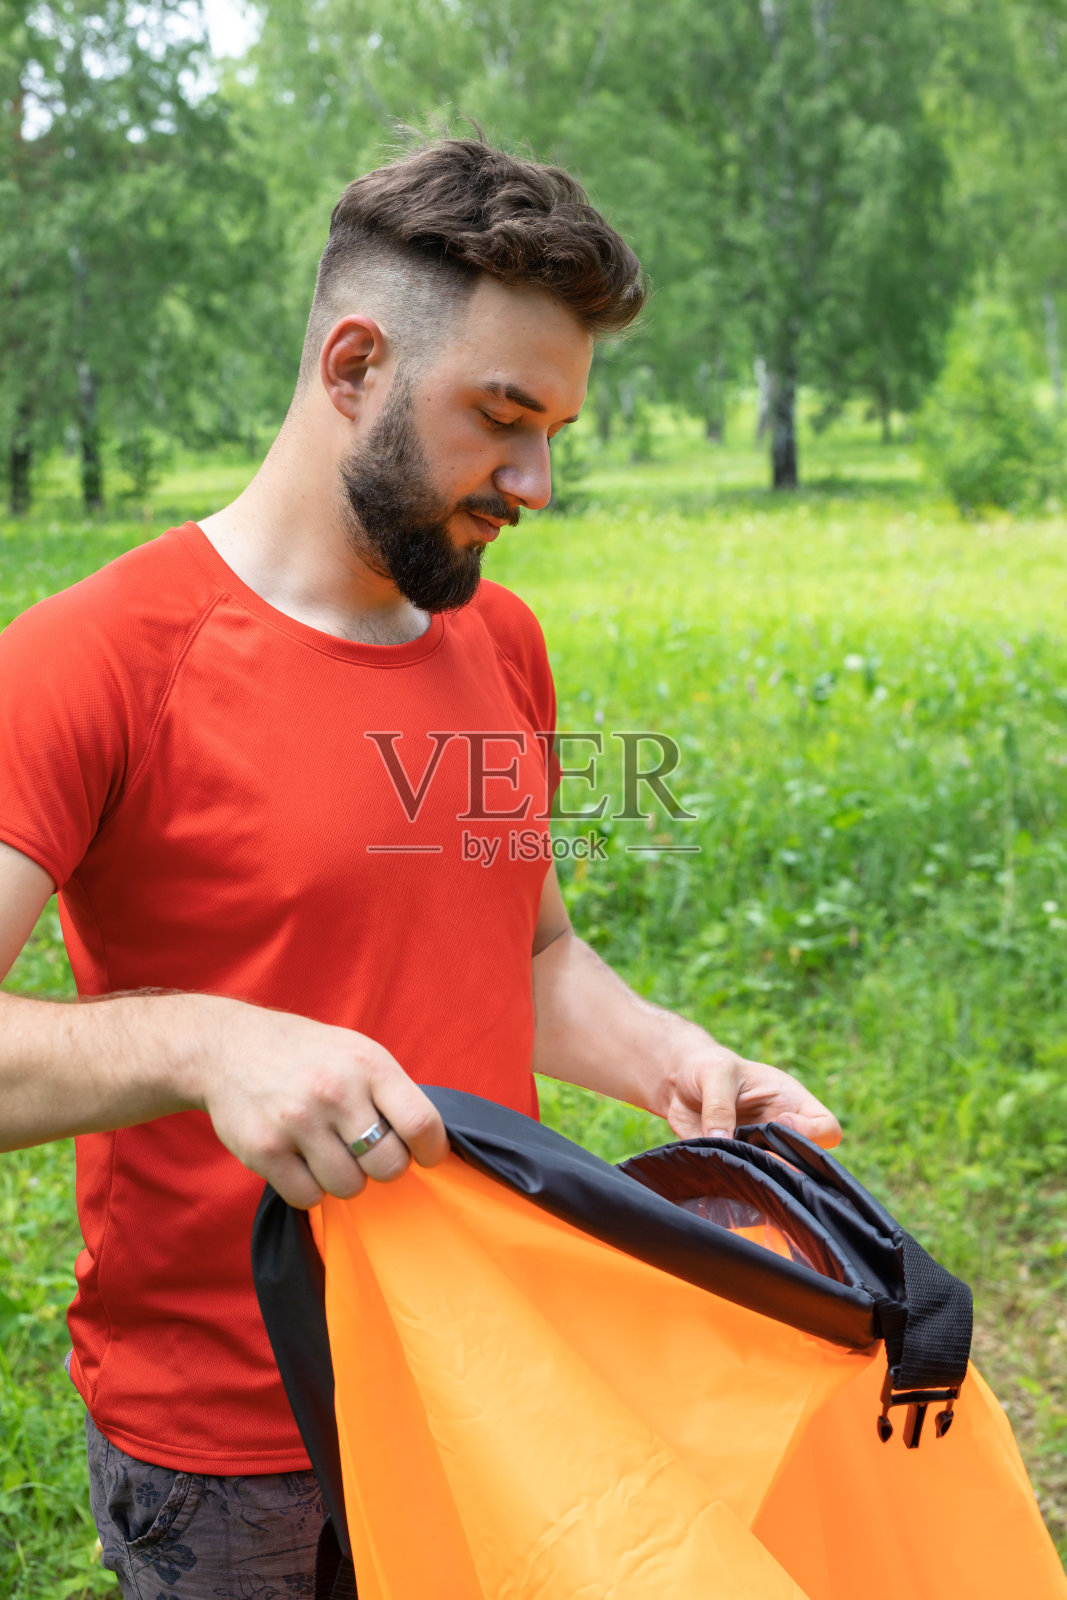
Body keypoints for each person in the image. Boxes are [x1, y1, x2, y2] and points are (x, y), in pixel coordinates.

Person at [0, 137, 840, 1597]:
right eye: (503, 418)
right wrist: (210, 1041)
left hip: (489, 1375)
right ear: (353, 366)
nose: (538, 482)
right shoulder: (92, 659)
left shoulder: (498, 642)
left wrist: (673, 1060)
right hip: (232, 1449)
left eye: (556, 430)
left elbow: (531, 958)